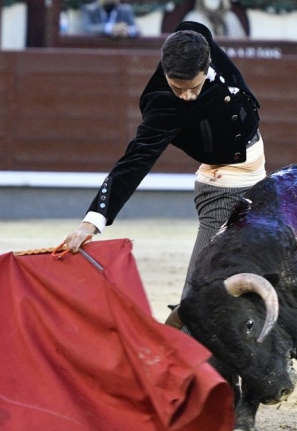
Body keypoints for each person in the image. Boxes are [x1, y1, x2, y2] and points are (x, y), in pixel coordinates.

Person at [64, 21, 264, 308]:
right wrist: (91, 222)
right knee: (202, 288)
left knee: (253, 265)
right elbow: (133, 163)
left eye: (192, 88)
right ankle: (182, 346)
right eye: (177, 88)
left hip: (256, 174)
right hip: (224, 185)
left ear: (206, 63)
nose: (186, 96)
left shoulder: (197, 39)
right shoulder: (163, 106)